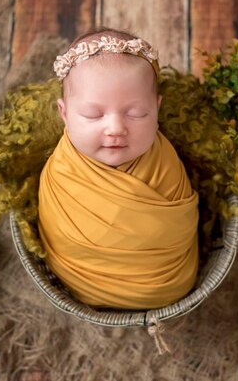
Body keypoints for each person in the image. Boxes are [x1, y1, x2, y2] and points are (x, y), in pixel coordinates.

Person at [37, 28, 199, 310]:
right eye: (92, 114)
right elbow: (57, 234)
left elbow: (179, 230)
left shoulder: (165, 165)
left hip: (170, 283)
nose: (115, 129)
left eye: (137, 114)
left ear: (157, 109)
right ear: (64, 114)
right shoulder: (59, 173)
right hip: (83, 285)